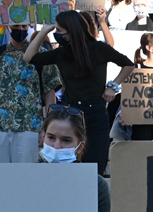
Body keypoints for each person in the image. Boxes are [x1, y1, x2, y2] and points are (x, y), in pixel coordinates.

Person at [25, 10, 135, 175]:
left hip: (96, 113)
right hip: (70, 113)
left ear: (72, 30)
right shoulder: (62, 53)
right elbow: (29, 57)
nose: (56, 34)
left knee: (95, 168)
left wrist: (113, 86)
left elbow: (128, 64)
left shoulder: (98, 48)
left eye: (59, 30)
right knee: (68, 166)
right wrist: (44, 31)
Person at [0, 15, 61, 163]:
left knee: (25, 174)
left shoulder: (42, 55)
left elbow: (50, 93)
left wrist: (48, 128)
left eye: (24, 26)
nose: (20, 29)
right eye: (17, 25)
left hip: (29, 127)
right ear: (8, 26)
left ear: (29, 26)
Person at [109, 32, 153, 141]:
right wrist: (126, 113)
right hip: (139, 126)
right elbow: (128, 96)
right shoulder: (136, 70)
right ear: (148, 47)